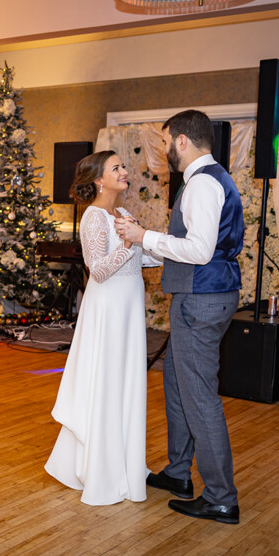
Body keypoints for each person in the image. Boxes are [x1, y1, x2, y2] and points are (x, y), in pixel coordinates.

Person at [116, 109, 244, 524]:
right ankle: (177, 473)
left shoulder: (203, 185)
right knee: (176, 382)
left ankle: (222, 497)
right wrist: (143, 245)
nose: (165, 147)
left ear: (183, 141)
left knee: (199, 396)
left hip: (201, 301)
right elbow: (188, 247)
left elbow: (201, 251)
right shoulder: (207, 180)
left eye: (166, 139)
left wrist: (144, 238)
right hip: (204, 295)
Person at [44, 151, 149, 505]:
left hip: (129, 307)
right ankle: (100, 469)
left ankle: (122, 463)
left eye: (123, 166)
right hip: (107, 309)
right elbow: (99, 270)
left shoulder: (121, 214)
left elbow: (141, 257)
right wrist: (130, 243)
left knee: (124, 382)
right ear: (99, 180)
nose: (124, 171)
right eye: (116, 167)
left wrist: (158, 244)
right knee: (106, 382)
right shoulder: (92, 217)